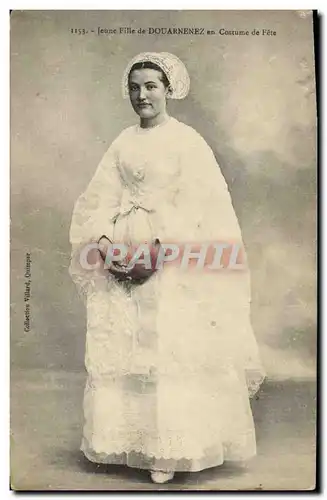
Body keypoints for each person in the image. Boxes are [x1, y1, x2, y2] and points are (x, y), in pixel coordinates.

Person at [69, 52, 265, 484]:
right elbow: (98, 198)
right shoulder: (122, 142)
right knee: (123, 340)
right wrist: (104, 245)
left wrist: (157, 253)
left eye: (151, 86)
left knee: (167, 346)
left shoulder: (187, 142)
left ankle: (169, 450)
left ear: (168, 89)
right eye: (135, 87)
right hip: (123, 249)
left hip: (171, 255)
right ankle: (126, 441)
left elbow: (199, 204)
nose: (142, 95)